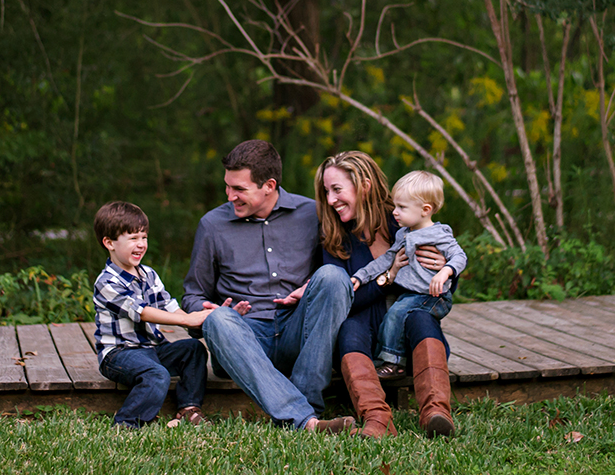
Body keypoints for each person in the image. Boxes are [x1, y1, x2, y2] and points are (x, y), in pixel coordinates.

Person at [182, 139, 357, 433]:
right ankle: (304, 418)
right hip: (243, 339)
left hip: (296, 333)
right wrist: (208, 310)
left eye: (239, 189)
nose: (229, 196)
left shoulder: (311, 213)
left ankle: (307, 405)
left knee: (333, 276)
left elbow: (345, 261)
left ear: (269, 185)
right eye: (227, 186)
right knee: (219, 320)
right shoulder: (212, 225)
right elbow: (193, 294)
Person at [314, 151, 458, 438]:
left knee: (420, 318)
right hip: (361, 325)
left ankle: (436, 413)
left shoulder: (404, 219)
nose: (330, 200)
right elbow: (342, 301)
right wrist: (388, 276)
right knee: (349, 328)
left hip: (407, 323)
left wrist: (445, 269)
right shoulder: (334, 236)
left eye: (337, 190)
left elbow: (444, 281)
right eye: (326, 192)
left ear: (364, 186)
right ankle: (377, 419)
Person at [92, 201, 212, 429]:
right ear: (109, 243)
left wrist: (197, 318)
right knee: (156, 374)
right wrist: (186, 319)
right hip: (118, 354)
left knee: (193, 349)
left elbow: (168, 305)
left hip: (150, 350)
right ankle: (127, 423)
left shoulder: (148, 274)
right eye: (133, 238)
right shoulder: (106, 282)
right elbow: (142, 313)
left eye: (143, 237)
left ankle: (188, 407)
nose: (141, 244)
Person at [350, 170, 467, 378]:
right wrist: (361, 276)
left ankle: (394, 362)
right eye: (395, 206)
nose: (394, 212)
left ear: (425, 210)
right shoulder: (403, 234)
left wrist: (445, 272)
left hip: (433, 297)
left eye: (402, 207)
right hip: (412, 295)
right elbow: (386, 260)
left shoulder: (439, 234)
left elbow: (460, 256)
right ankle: (391, 358)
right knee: (394, 313)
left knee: (397, 313)